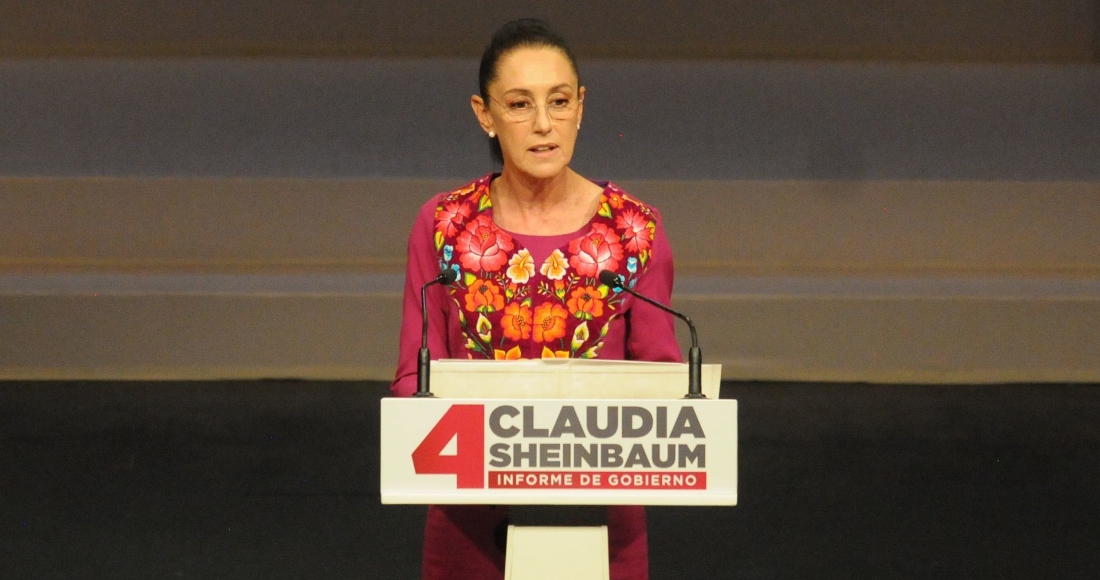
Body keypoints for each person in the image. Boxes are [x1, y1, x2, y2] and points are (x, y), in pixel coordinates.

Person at [391, 18, 681, 580]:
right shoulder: (444, 224)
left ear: (581, 106)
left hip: (601, 524)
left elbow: (662, 388)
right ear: (485, 114)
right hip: (469, 525)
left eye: (560, 100)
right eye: (520, 104)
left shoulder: (633, 230)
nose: (544, 124)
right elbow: (413, 380)